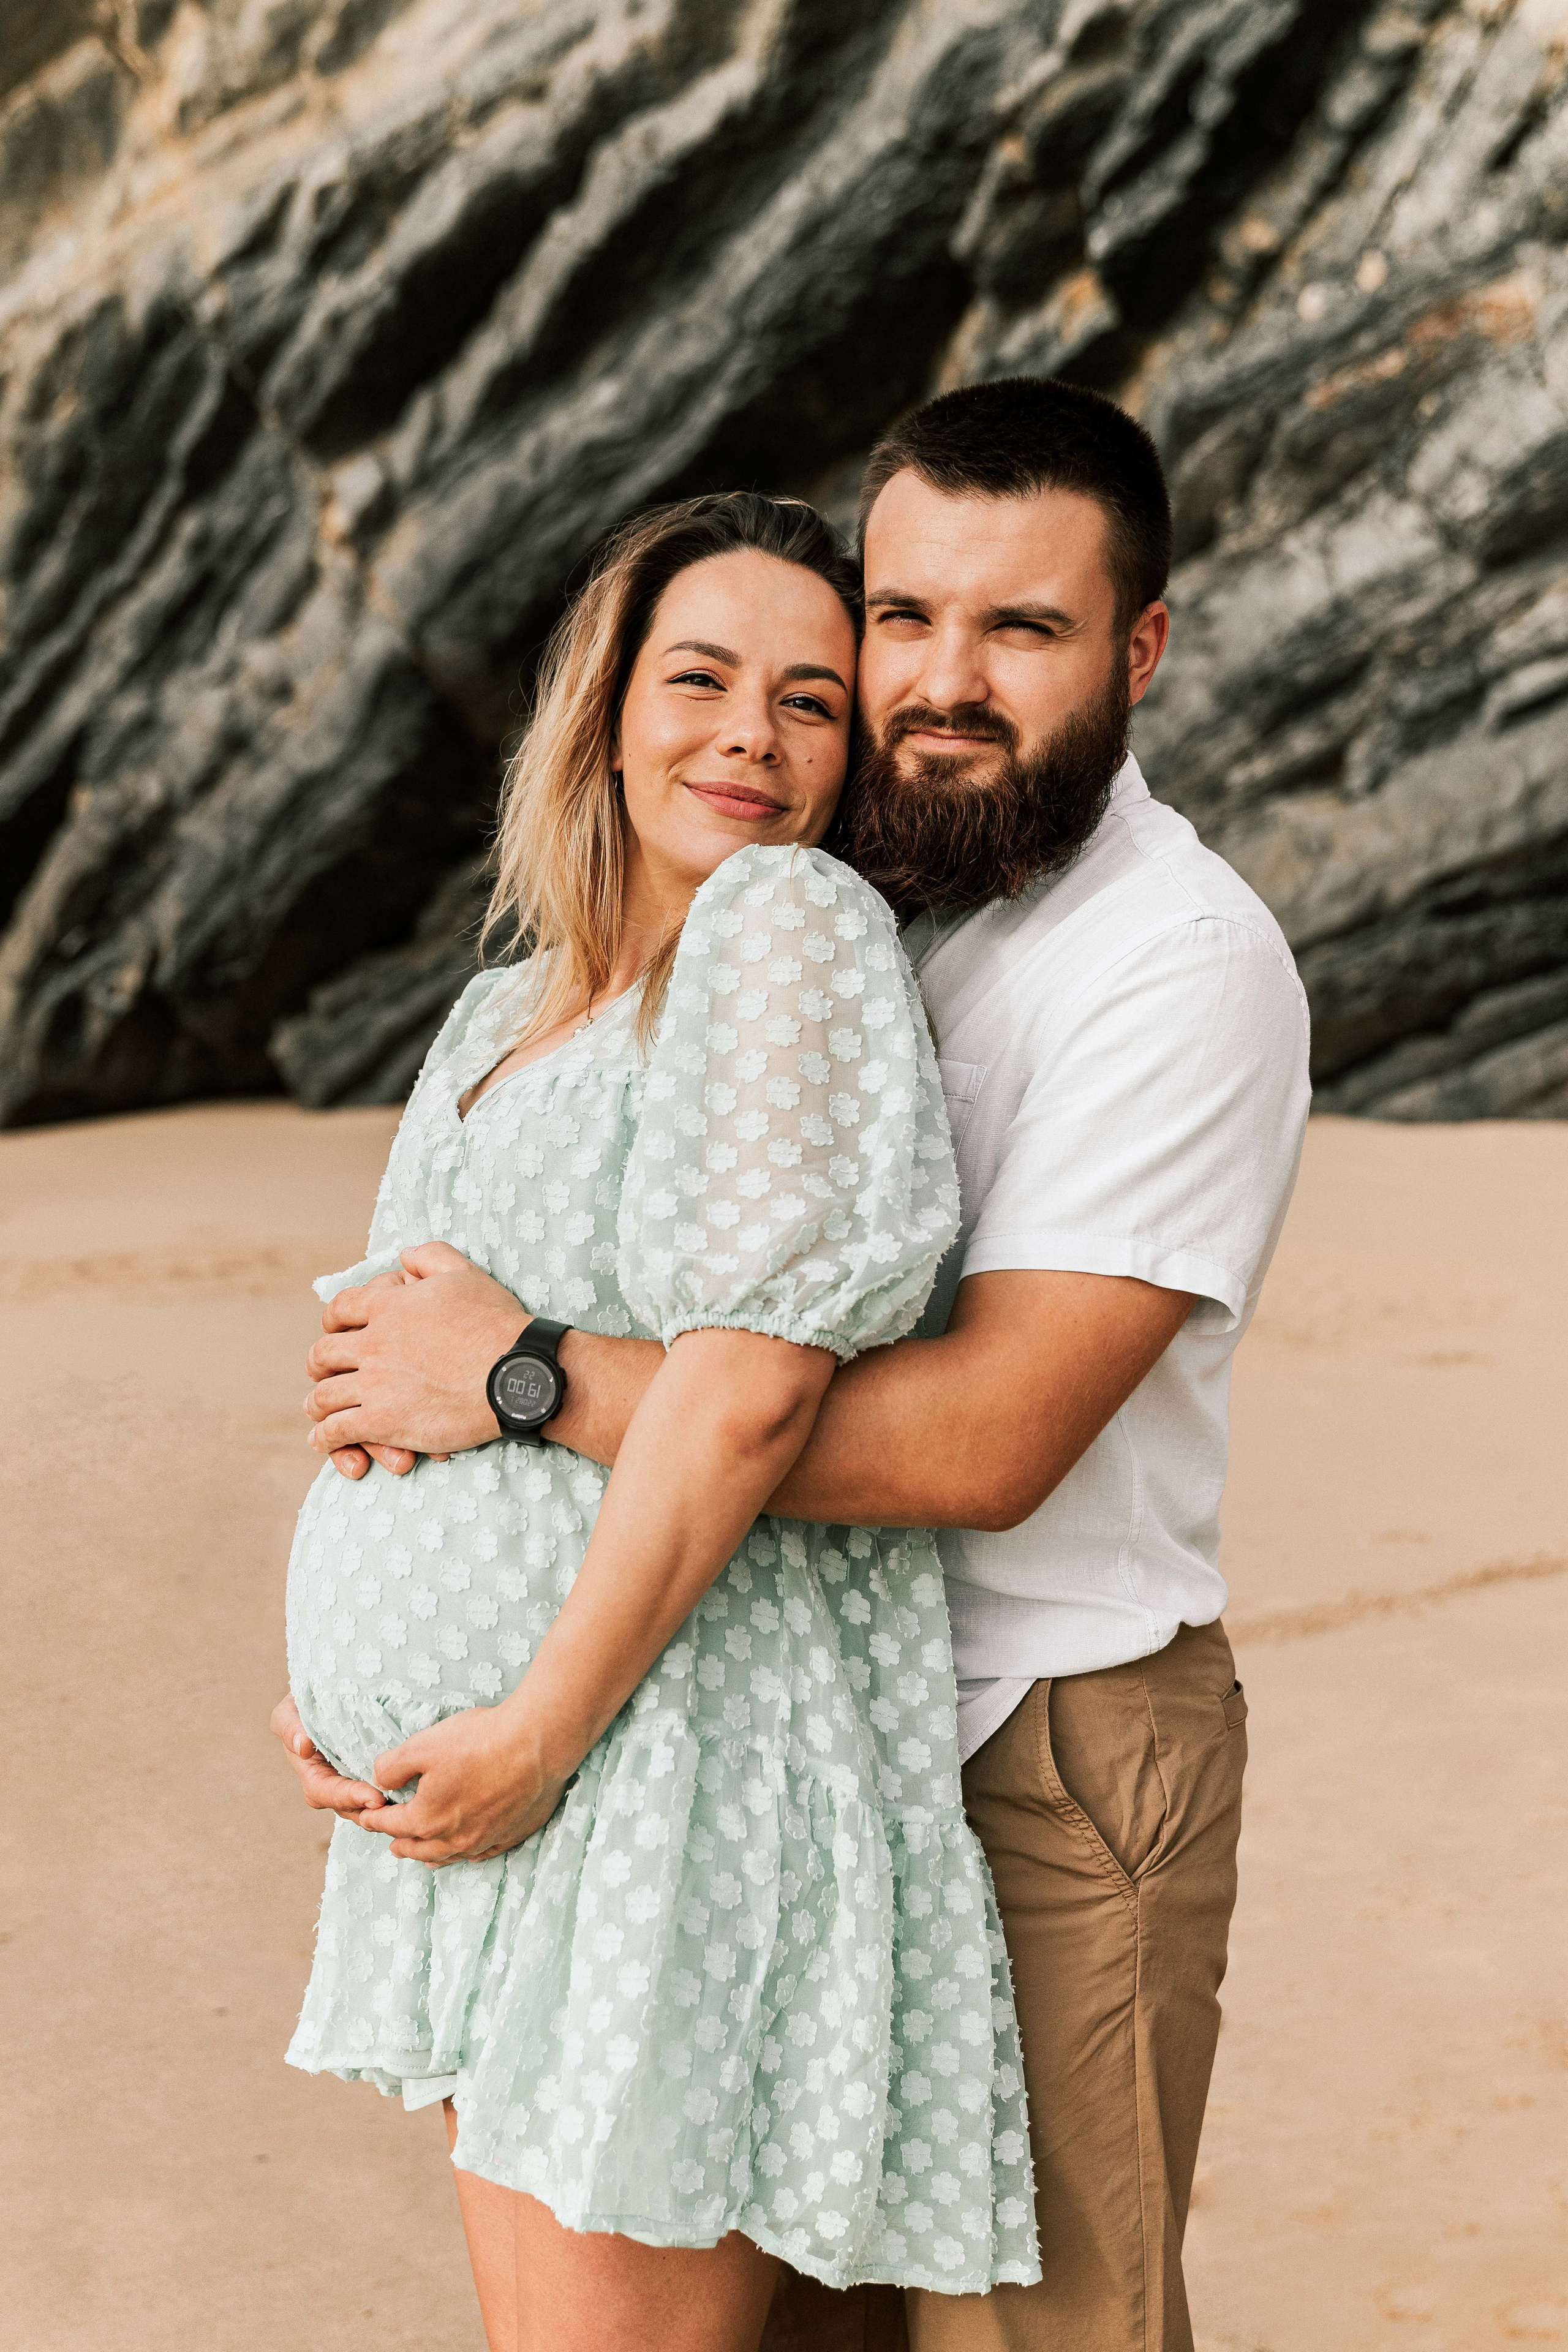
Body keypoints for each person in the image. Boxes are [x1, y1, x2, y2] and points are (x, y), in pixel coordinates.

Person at [281, 378, 1311, 2351]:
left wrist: (516, 1384)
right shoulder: (880, 888)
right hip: (761, 1734)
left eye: (1023, 628)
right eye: (904, 619)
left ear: (1140, 648)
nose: (943, 678)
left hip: (1042, 1739)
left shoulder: (1167, 964)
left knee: (1048, 2334)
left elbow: (983, 1436)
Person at [277, 488, 1039, 2352]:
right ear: (607, 704)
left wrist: (534, 1728)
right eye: (699, 680)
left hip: (655, 1775)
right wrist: (342, 1686)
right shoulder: (503, 1010)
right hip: (505, 1801)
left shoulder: (783, 929)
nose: (749, 740)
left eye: (808, 702)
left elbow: (758, 1386)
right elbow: (398, 1370)